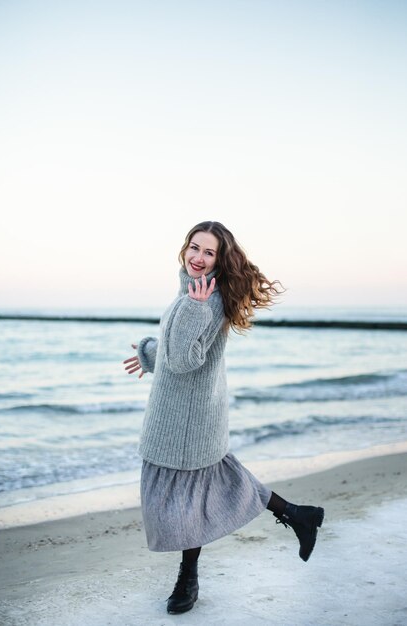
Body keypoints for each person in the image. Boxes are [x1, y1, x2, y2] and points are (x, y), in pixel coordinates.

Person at [123, 221, 324, 615]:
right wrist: (150, 354)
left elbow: (184, 358)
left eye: (208, 252)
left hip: (186, 422)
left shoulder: (206, 299)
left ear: (219, 259)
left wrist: (193, 312)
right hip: (192, 412)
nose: (198, 258)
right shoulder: (194, 292)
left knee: (182, 504)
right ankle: (299, 515)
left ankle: (188, 580)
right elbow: (180, 351)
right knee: (218, 482)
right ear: (184, 249)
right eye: (194, 248)